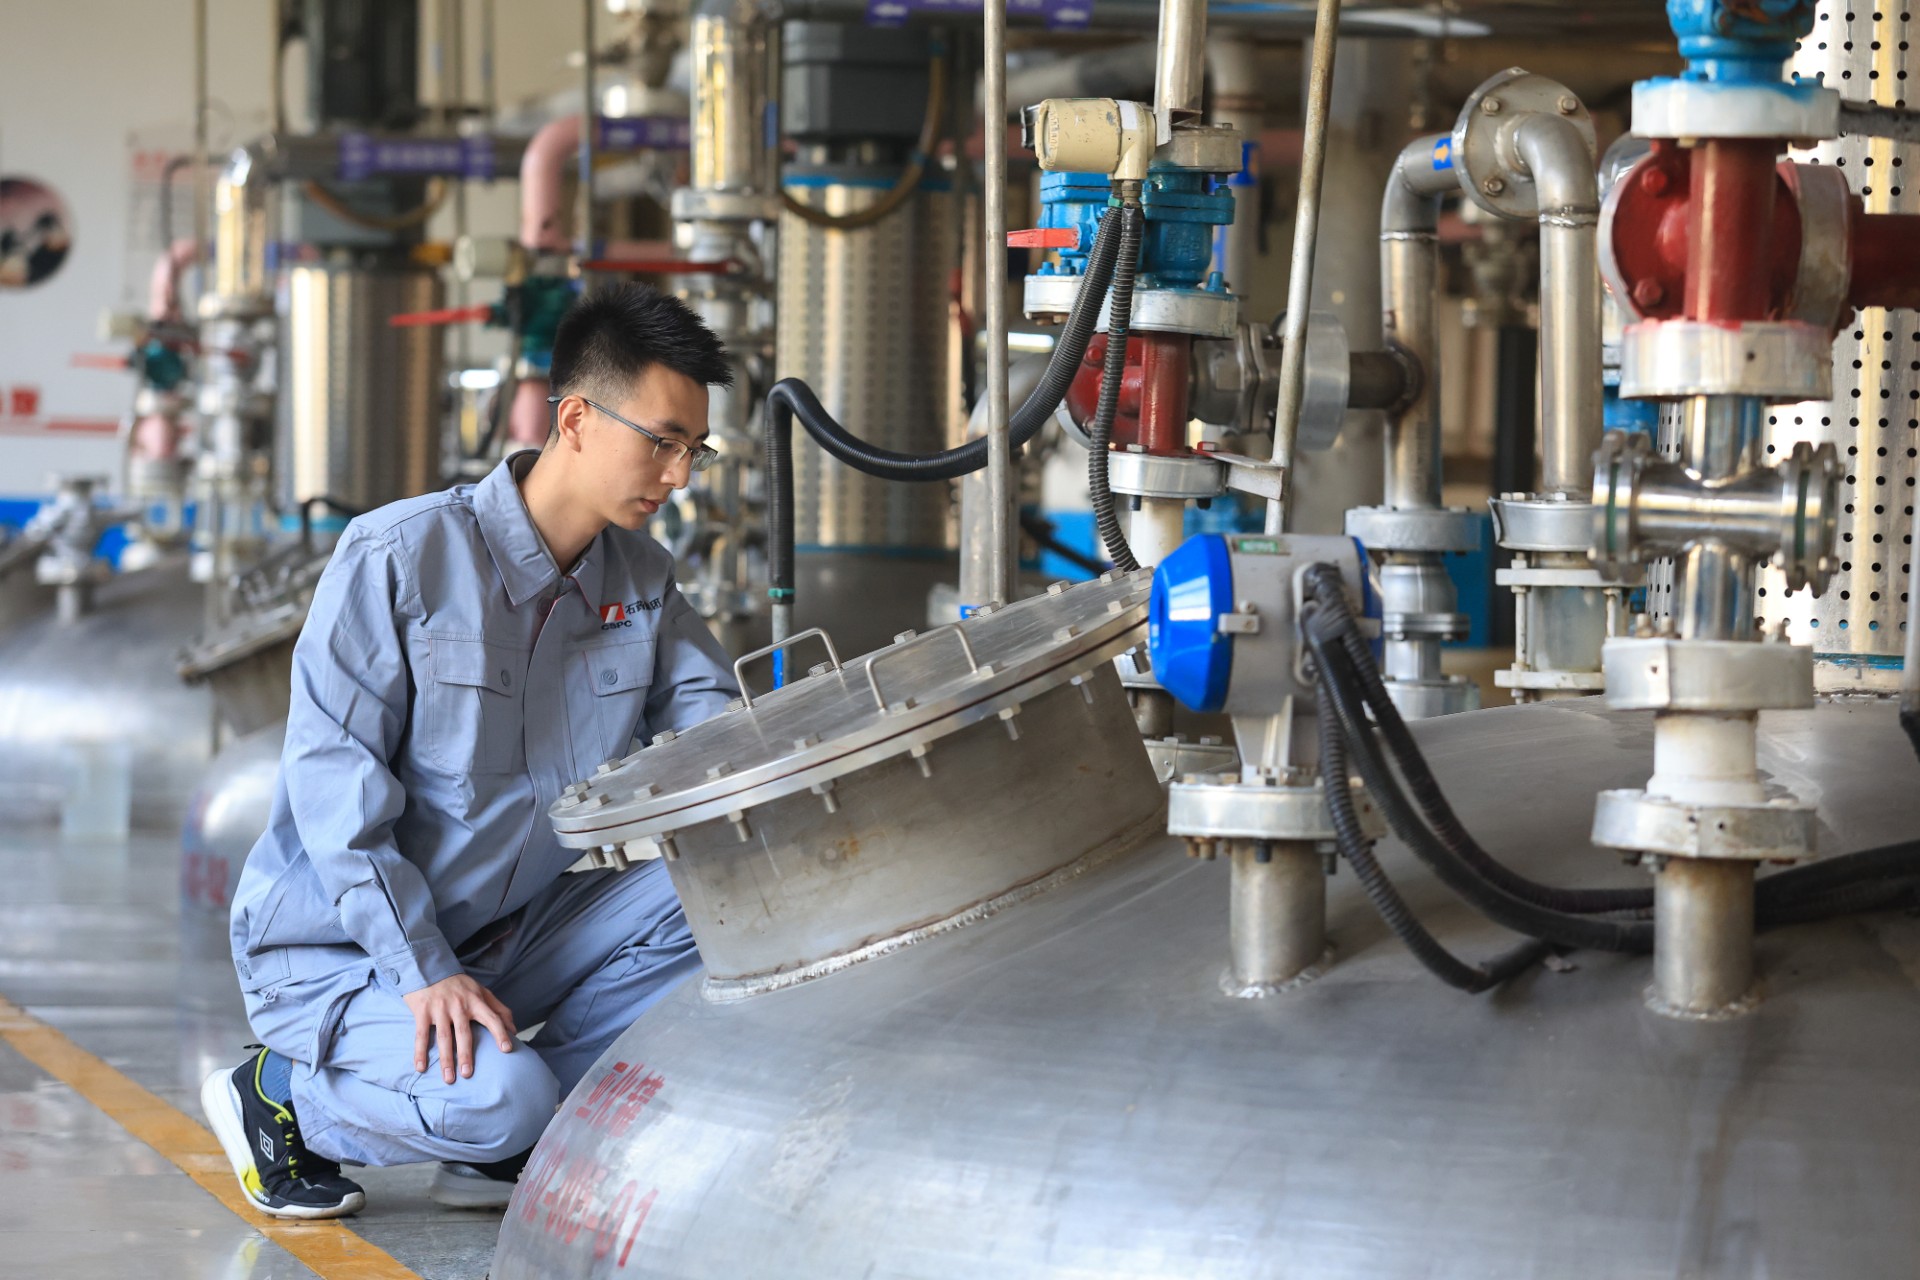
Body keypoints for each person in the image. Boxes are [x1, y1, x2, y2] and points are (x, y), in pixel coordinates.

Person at [200, 284, 740, 1218]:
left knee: (720, 893)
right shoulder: (398, 557)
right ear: (576, 419)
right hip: (344, 953)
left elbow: (720, 734)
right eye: (662, 441)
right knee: (509, 1100)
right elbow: (336, 796)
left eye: (696, 448)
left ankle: (492, 1140)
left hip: (505, 934)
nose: (681, 475)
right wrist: (423, 969)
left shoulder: (643, 580)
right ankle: (278, 1095)